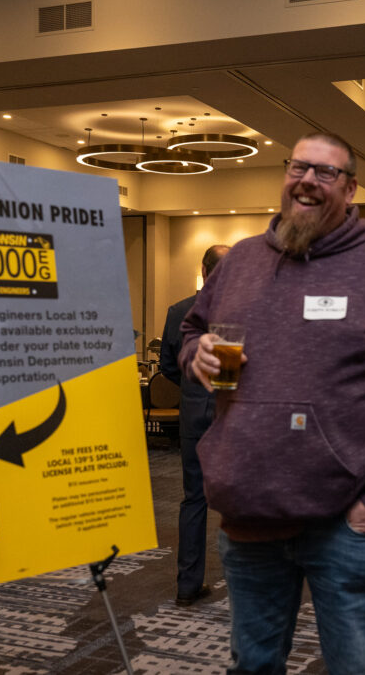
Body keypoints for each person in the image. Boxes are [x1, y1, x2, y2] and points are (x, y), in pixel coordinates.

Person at [180, 132, 365, 674]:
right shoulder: (241, 261)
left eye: (325, 172)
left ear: (350, 190)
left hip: (343, 523)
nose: (307, 180)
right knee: (253, 665)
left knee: (358, 667)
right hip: (249, 516)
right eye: (298, 167)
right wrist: (196, 352)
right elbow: (191, 330)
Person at [159, 243, 230, 607]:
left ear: (203, 271)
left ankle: (187, 585)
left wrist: (192, 389)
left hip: (193, 416)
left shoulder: (178, 310)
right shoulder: (242, 310)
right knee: (237, 499)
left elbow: (167, 367)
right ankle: (245, 583)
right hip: (230, 416)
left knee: (194, 499)